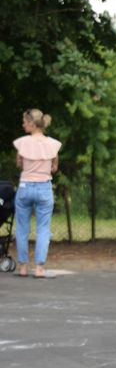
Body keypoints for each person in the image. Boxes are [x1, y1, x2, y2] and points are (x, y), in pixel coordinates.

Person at [13, 109, 61, 278]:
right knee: (43, 229)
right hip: (44, 188)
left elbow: (19, 163)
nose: (23, 124)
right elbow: (54, 167)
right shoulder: (53, 144)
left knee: (22, 229)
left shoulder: (22, 143)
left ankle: (23, 267)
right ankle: (39, 268)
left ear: (32, 124)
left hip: (25, 187)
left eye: (25, 122)